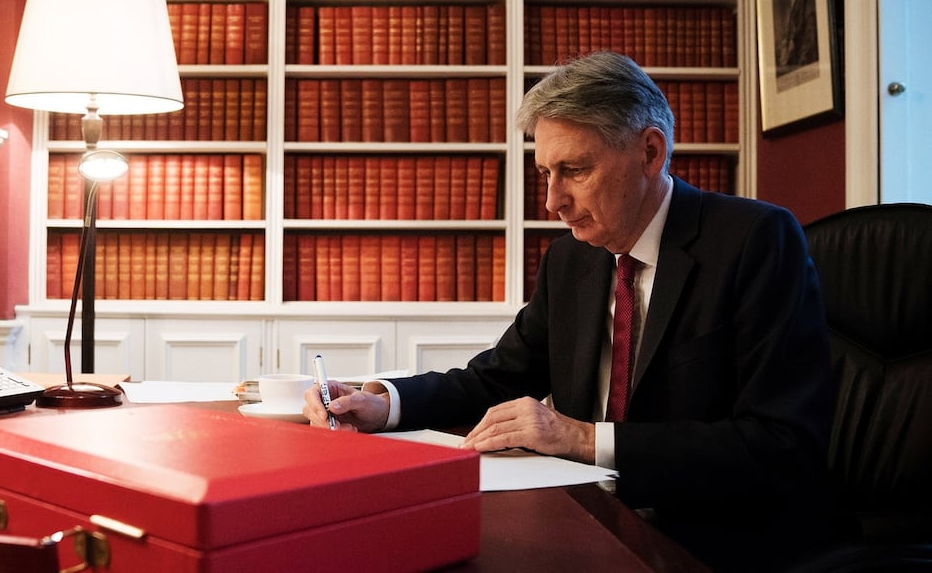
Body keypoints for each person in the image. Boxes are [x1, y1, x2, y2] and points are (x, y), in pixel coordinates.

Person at [304, 51, 837, 572]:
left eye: (574, 170)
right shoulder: (571, 258)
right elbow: (498, 377)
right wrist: (384, 402)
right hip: (590, 515)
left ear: (650, 153)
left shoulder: (754, 241)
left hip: (718, 540)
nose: (551, 201)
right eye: (545, 174)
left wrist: (581, 437)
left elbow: (782, 444)